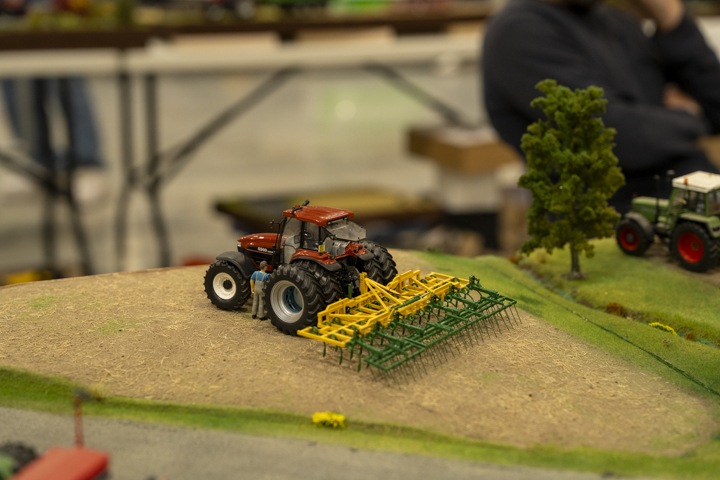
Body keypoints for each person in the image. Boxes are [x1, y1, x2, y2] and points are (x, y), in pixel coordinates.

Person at [482, 0, 720, 211]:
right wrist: (689, 115)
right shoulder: (520, 31)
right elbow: (620, 138)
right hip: (618, 220)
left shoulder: (616, 22)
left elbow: (716, 107)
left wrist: (672, 17)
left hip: (699, 196)